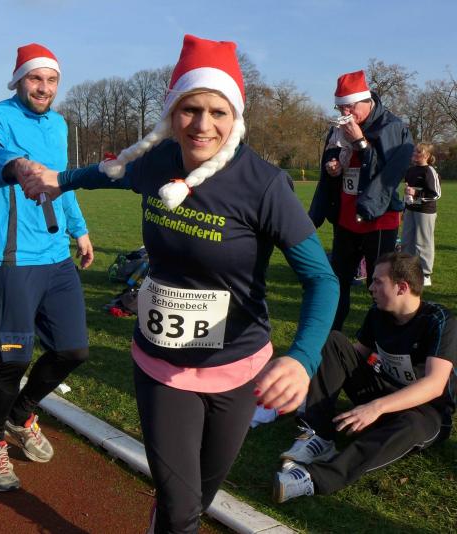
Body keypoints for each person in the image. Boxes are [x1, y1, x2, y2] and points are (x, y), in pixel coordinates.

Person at [20, 35, 338, 532]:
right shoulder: (156, 162)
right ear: (173, 113)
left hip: (237, 369)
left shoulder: (263, 185)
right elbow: (108, 173)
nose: (203, 125)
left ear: (235, 116)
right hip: (162, 368)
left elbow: (321, 279)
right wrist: (62, 179)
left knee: (197, 499)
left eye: (218, 111)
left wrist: (302, 357)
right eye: (191, 109)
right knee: (182, 508)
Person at [0, 42, 95, 493]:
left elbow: (62, 182)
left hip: (55, 254)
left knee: (73, 351)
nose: (44, 87)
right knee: (14, 357)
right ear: (18, 80)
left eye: (52, 80)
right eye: (35, 78)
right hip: (13, 257)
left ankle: (21, 415)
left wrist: (79, 230)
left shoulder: (58, 125)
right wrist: (15, 164)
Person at [274, 252, 456, 503]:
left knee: (411, 426)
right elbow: (352, 357)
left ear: (402, 287)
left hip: (425, 410)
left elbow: (434, 385)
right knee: (333, 341)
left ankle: (314, 479)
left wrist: (376, 407)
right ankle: (319, 435)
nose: (370, 287)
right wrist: (310, 385)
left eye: (378, 281)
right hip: (383, 391)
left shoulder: (440, 321)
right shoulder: (378, 313)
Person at [309, 70, 414, 331]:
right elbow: (332, 167)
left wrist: (360, 142)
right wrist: (333, 168)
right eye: (340, 107)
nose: (345, 112)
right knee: (338, 281)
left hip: (378, 220)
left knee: (380, 284)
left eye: (350, 106)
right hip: (346, 218)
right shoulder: (338, 129)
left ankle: (382, 341)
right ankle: (331, 339)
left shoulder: (392, 127)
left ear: (367, 101)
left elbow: (388, 176)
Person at [401, 143, 441, 287]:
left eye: (418, 152)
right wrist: (404, 207)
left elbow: (436, 194)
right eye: (414, 151)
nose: (414, 154)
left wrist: (416, 193)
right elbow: (408, 191)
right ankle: (407, 271)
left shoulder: (429, 171)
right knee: (407, 241)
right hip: (410, 210)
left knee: (423, 242)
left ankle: (425, 274)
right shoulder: (410, 170)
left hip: (425, 211)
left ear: (427, 155)